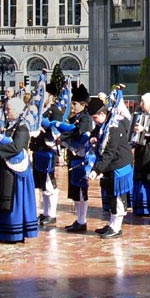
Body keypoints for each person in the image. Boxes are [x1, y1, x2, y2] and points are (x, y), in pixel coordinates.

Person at [0, 96, 39, 243]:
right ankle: (3, 232)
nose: (6, 111)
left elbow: (17, 147)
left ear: (18, 111)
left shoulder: (22, 127)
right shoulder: (8, 126)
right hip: (5, 167)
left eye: (9, 109)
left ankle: (15, 233)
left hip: (16, 171)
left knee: (14, 201)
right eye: (5, 108)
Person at [88, 96, 133, 239]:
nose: (94, 121)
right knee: (111, 197)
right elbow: (96, 131)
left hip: (119, 165)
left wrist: (96, 170)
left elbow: (109, 153)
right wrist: (92, 138)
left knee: (118, 197)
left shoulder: (113, 127)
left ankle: (116, 227)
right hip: (110, 166)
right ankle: (112, 224)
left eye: (95, 117)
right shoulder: (104, 124)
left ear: (102, 114)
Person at [59, 84, 94, 232]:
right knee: (75, 191)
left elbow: (79, 132)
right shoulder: (77, 118)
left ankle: (82, 220)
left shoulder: (85, 119)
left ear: (83, 104)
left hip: (81, 159)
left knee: (81, 191)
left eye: (75, 104)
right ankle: (79, 219)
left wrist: (62, 137)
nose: (72, 107)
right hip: (73, 158)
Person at [31, 85, 60, 229]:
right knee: (42, 185)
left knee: (49, 183)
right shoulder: (39, 111)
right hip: (38, 150)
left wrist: (44, 128)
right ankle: (45, 212)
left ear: (52, 97)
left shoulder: (54, 111)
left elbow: (57, 130)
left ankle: (52, 214)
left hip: (48, 151)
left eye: (45, 94)